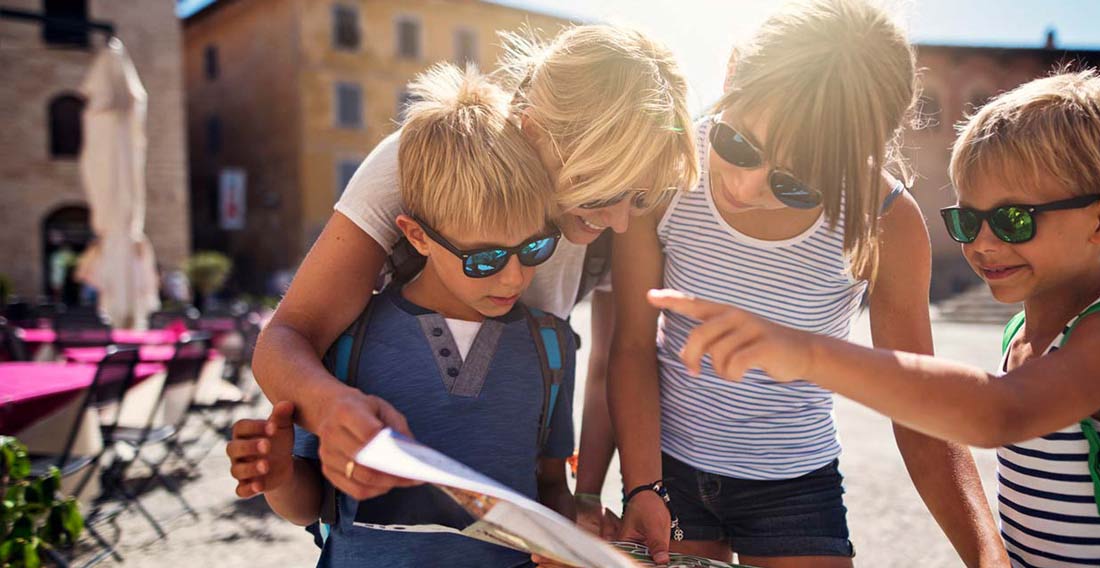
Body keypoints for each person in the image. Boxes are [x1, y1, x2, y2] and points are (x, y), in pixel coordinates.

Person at [651, 69, 1100, 567]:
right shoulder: (1025, 338)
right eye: (967, 220)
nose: (985, 244)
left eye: (1014, 219)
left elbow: (998, 413)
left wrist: (807, 352)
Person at [603, 1, 1004, 566]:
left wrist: (989, 556)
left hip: (797, 484)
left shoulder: (884, 218)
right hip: (670, 468)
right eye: (736, 143)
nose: (744, 186)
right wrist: (643, 487)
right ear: (732, 72)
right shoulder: (670, 169)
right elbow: (631, 347)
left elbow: (917, 407)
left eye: (794, 183)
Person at [247, 24, 697, 520]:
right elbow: (287, 335)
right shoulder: (422, 161)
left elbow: (622, 355)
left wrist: (610, 494)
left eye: (641, 197)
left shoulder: (621, 201)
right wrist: (332, 409)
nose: (619, 222)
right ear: (532, 132)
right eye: (597, 193)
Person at [229, 64, 577, 567]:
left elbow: (550, 487)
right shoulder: (347, 341)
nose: (514, 278)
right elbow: (310, 507)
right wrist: (276, 474)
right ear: (416, 236)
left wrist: (567, 539)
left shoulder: (551, 348)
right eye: (485, 259)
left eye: (534, 247)